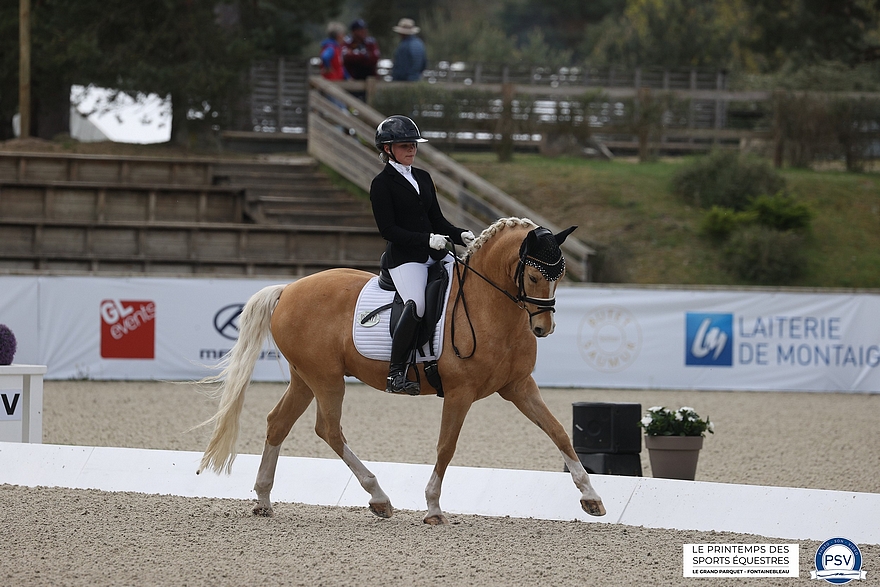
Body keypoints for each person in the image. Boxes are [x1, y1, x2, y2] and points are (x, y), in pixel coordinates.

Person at [370, 115, 475, 395]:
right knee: (416, 305)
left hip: (435, 253)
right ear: (388, 149)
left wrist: (459, 234)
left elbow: (437, 221)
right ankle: (396, 372)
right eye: (405, 145)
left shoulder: (423, 177)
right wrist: (426, 239)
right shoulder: (381, 184)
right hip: (405, 259)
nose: (412, 150)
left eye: (414, 145)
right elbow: (388, 230)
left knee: (466, 289)